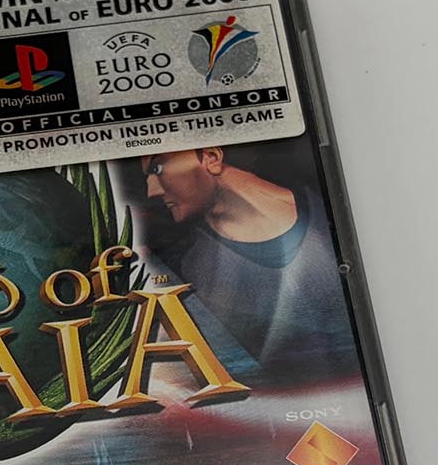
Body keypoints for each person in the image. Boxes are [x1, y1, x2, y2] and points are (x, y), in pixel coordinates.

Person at [139, 146, 358, 373]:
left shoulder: (338, 205)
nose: (151, 191)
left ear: (211, 158)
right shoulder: (185, 269)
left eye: (157, 168)